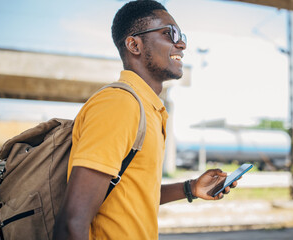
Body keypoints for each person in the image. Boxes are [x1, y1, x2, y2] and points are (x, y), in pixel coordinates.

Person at [53, 1, 238, 239]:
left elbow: (131, 195)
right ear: (134, 45)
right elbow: (71, 223)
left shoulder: (148, 109)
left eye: (182, 36)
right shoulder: (119, 105)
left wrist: (190, 188)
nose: (181, 43)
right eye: (169, 33)